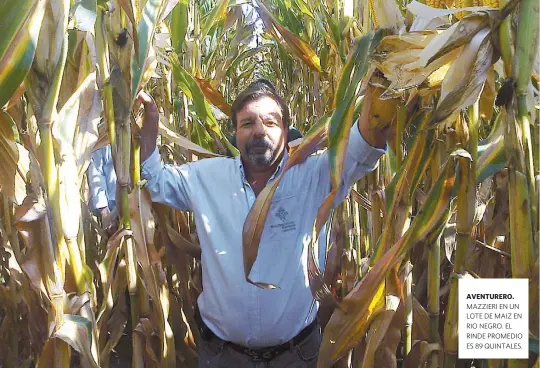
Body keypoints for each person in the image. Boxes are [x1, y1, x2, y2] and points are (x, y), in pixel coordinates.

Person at [137, 79, 390, 367]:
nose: (259, 131)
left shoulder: (317, 175)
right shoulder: (206, 178)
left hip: (296, 355)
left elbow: (365, 147)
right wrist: (150, 126)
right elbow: (154, 181)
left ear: (286, 131)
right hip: (222, 356)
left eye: (270, 122)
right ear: (235, 134)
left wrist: (380, 87)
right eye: (247, 124)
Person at [88, 144, 117, 228]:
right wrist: (104, 210)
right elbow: (96, 173)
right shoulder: (103, 141)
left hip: (139, 203)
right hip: (111, 207)